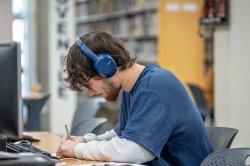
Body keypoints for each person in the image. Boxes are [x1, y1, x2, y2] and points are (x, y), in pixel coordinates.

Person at [56, 31, 213, 165]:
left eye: (88, 84)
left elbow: (134, 150)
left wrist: (78, 150)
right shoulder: (132, 88)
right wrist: (85, 141)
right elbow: (120, 135)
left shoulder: (154, 87)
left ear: (106, 67)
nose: (90, 93)